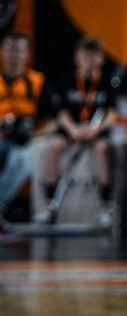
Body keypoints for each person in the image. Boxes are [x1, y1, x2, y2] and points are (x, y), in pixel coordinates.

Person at [39, 36, 120, 226]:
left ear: (101, 59)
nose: (89, 61)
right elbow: (61, 113)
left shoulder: (107, 82)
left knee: (102, 150)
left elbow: (112, 114)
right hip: (72, 128)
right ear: (77, 57)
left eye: (94, 57)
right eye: (86, 56)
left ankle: (105, 206)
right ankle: (49, 204)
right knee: (53, 147)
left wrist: (95, 129)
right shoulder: (67, 79)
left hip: (95, 130)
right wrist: (73, 130)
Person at [0, 32, 47, 227]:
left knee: (23, 159)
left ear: (27, 54)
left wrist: (35, 134)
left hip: (26, 141)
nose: (14, 55)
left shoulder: (37, 82)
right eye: (9, 49)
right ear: (2, 51)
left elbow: (55, 119)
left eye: (19, 50)